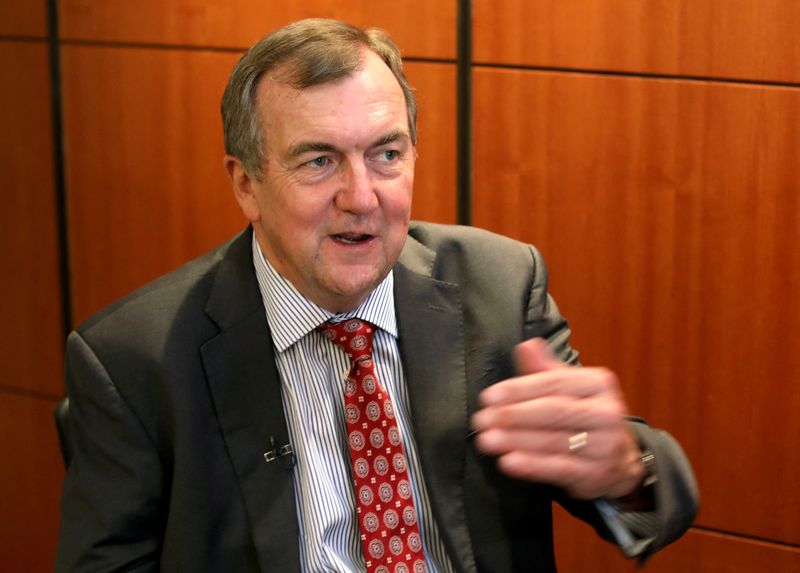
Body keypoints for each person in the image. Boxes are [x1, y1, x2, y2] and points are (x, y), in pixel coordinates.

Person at [56, 18, 697, 573]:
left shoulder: (498, 287)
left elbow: (650, 485)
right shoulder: (132, 361)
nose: (361, 198)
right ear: (246, 183)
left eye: (386, 154)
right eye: (318, 161)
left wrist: (623, 468)